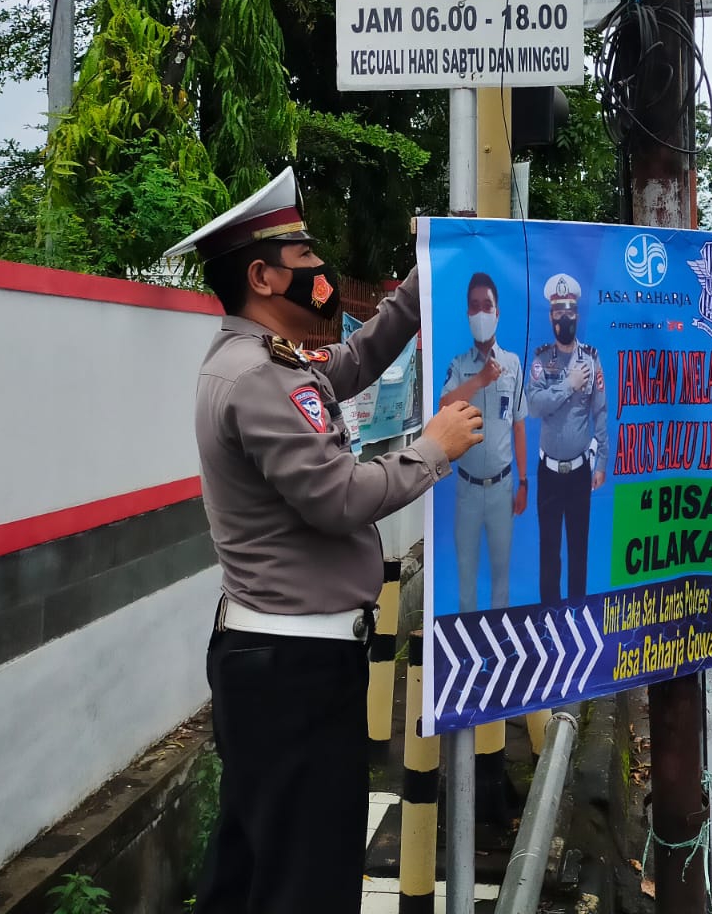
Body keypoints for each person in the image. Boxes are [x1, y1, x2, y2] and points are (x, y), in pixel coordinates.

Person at [169, 166, 485, 914]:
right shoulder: (256, 377)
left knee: (254, 868)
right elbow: (337, 498)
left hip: (282, 664)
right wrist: (433, 449)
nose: (322, 269)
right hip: (293, 674)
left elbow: (356, 360)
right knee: (305, 881)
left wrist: (428, 273)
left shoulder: (270, 361)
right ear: (262, 277)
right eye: (305, 257)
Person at [440, 271, 528, 611]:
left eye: (486, 306)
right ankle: (467, 640)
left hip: (503, 489)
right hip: (468, 490)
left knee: (501, 577)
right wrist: (479, 380)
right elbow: (444, 406)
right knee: (466, 578)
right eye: (474, 306)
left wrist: (523, 482)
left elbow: (518, 425)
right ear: (467, 314)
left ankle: (498, 641)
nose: (481, 313)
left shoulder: (513, 364)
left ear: (497, 312)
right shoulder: (459, 366)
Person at [527, 272, 609, 604]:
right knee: (549, 551)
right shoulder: (541, 360)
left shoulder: (591, 358)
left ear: (577, 314)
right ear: (551, 316)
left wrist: (601, 463)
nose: (564, 318)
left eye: (570, 311)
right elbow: (534, 406)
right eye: (558, 311)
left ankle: (577, 614)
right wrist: (568, 385)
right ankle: (549, 618)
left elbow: (600, 412)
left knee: (578, 549)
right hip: (548, 473)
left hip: (579, 473)